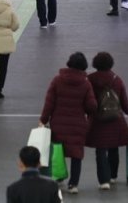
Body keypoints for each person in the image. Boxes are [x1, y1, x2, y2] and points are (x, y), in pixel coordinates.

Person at [39, 52, 98, 195]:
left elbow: (49, 103)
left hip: (58, 123)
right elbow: (92, 106)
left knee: (58, 152)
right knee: (76, 155)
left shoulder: (57, 80)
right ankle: (73, 185)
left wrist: (43, 119)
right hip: (78, 125)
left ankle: (58, 179)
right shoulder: (85, 83)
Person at [86, 52, 128, 189]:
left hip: (97, 120)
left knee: (100, 151)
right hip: (115, 120)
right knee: (114, 148)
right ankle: (113, 176)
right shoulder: (116, 79)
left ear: (95, 63)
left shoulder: (90, 79)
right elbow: (124, 101)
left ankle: (104, 181)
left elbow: (87, 100)